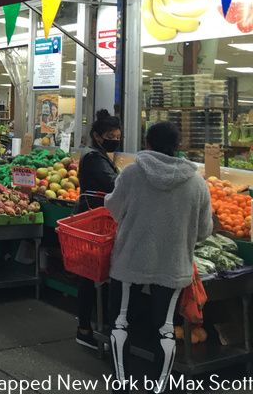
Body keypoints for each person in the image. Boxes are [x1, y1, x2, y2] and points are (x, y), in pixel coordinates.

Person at [105, 122, 212, 392]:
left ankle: (121, 383)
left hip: (130, 259)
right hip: (173, 264)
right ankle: (159, 387)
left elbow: (114, 209)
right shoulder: (197, 182)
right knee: (165, 327)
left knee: (121, 322)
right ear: (178, 146)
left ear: (147, 143)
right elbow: (204, 231)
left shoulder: (132, 174)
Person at [75, 109, 122, 350]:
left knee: (92, 276)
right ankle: (85, 329)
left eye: (118, 135)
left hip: (96, 222)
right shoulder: (94, 158)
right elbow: (114, 185)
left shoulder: (99, 155)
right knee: (90, 276)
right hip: (92, 224)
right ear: (97, 135)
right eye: (110, 136)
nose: (115, 139)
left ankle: (91, 326)